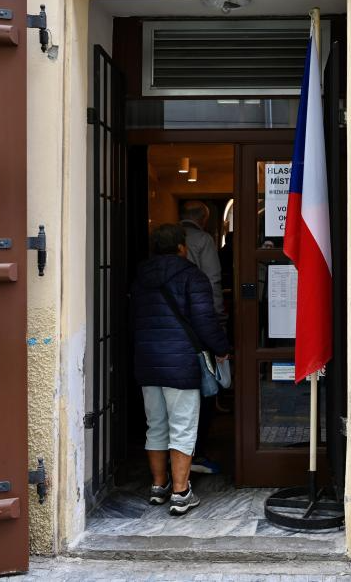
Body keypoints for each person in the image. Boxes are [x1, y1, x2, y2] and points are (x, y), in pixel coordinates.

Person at [131, 223, 230, 516]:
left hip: (147, 361)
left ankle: (158, 486)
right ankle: (180, 491)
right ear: (181, 247)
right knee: (183, 427)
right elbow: (204, 321)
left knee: (156, 425)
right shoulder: (192, 276)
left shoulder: (140, 277)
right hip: (181, 363)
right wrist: (222, 348)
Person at [179, 200, 226, 476]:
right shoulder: (204, 239)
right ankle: (197, 451)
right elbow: (213, 280)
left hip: (173, 328)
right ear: (203, 220)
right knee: (205, 388)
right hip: (199, 324)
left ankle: (173, 467)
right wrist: (219, 320)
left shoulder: (172, 238)